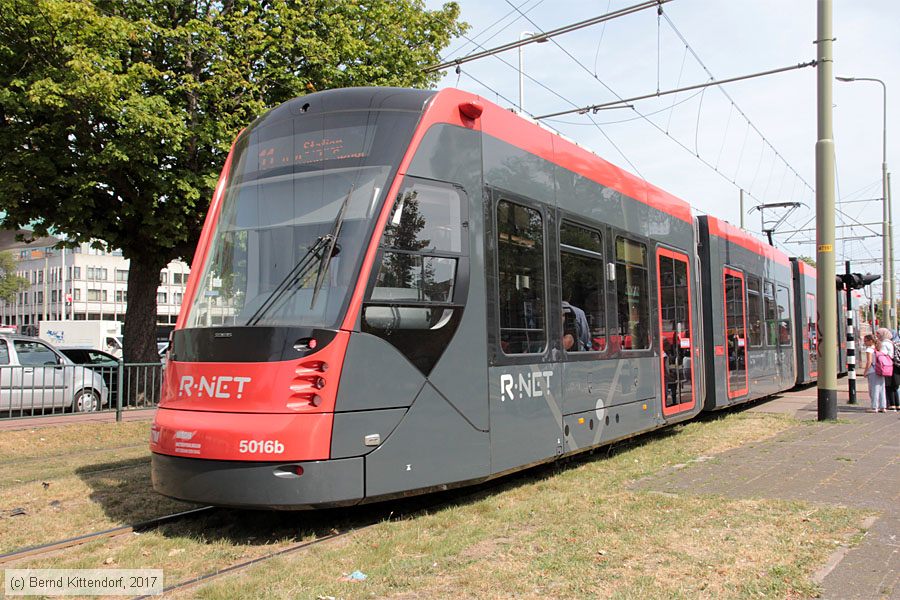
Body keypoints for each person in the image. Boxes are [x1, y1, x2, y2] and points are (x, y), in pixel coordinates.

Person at [863, 334, 887, 413]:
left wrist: (865, 371)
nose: (864, 342)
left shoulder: (869, 350)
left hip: (873, 371)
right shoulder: (878, 348)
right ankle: (883, 407)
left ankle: (874, 407)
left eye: (865, 341)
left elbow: (869, 361)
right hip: (881, 370)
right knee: (881, 389)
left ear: (870, 341)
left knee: (874, 389)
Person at [876, 328, 898, 411]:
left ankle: (891, 404)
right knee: (894, 387)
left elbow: (882, 355)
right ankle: (897, 404)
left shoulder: (884, 343)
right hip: (892, 365)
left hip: (886, 366)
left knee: (888, 386)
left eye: (878, 334)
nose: (877, 335)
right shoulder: (890, 342)